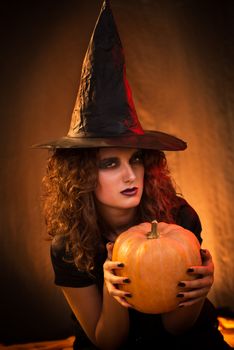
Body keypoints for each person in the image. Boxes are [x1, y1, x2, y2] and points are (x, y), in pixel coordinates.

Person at [33, 1, 231, 349]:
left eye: (136, 159)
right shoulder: (69, 246)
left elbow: (177, 329)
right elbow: (107, 341)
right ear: (81, 175)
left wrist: (198, 293)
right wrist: (114, 291)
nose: (130, 175)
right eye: (110, 163)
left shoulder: (179, 218)